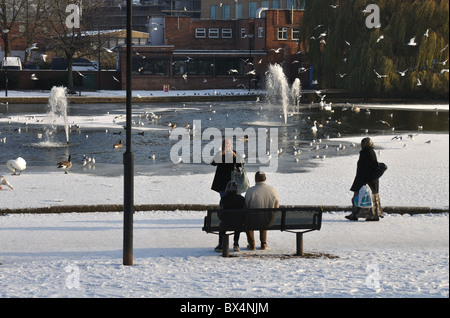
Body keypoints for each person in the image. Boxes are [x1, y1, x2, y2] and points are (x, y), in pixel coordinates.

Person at [346, 137, 383, 221]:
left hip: (366, 180)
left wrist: (365, 181)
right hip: (364, 179)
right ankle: (360, 214)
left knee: (363, 197)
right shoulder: (366, 152)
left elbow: (369, 167)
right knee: (361, 197)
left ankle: (368, 215)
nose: (361, 145)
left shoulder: (368, 152)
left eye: (363, 143)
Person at [245, 171, 279, 250]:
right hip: (268, 221)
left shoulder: (250, 191)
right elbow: (276, 206)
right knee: (265, 216)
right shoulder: (272, 190)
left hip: (253, 221)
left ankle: (252, 244)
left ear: (255, 180)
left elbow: (246, 206)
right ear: (265, 179)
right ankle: (263, 243)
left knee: (249, 218)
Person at [215, 181, 246, 253]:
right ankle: (236, 243)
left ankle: (221, 244)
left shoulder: (223, 199)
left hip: (226, 223)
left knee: (223, 224)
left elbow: (220, 214)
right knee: (238, 222)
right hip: (238, 224)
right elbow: (244, 212)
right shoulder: (241, 199)